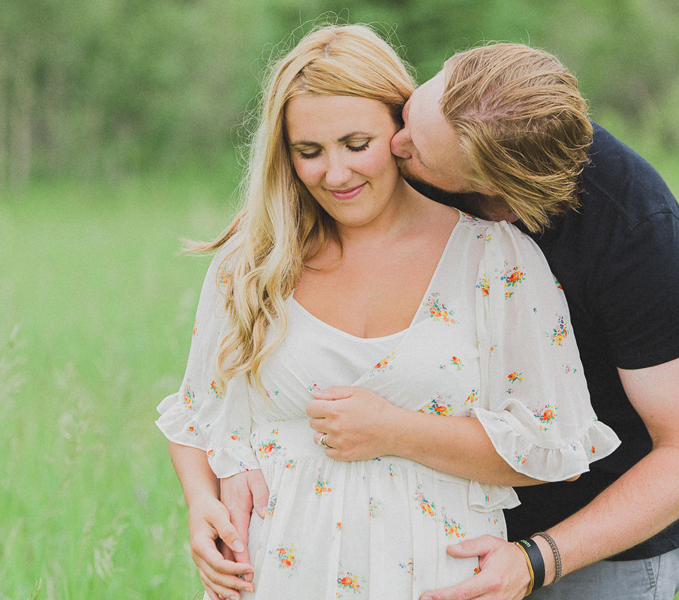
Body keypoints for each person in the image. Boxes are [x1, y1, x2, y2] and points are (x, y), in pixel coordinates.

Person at [155, 25, 619, 600]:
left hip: (436, 575)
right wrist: (201, 504)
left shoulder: (496, 260)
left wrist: (395, 432)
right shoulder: (251, 263)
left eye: (357, 144)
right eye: (309, 151)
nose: (336, 173)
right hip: (278, 575)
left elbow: (557, 450)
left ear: (400, 129)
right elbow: (198, 416)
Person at [282, 43, 679, 599]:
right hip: (441, 527)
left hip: (593, 542)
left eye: (417, 153)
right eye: (411, 116)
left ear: (491, 191)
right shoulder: (435, 129)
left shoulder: (635, 231)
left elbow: (677, 453)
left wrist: (540, 559)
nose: (395, 147)